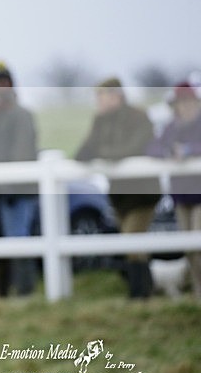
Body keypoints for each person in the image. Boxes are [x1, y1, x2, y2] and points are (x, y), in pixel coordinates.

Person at [76, 77, 161, 299]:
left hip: (143, 193)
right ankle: (145, 290)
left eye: (101, 96)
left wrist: (103, 153)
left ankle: (140, 293)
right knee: (130, 242)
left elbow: (132, 149)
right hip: (120, 195)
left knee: (132, 240)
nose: (98, 101)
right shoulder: (100, 120)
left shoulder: (138, 117)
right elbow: (84, 152)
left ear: (116, 96)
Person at [0, 63, 39, 296]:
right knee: (12, 239)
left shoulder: (20, 115)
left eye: (5, 84)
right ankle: (16, 289)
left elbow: (22, 152)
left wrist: (11, 186)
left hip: (17, 189)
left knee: (19, 239)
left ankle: (25, 289)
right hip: (4, 189)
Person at [147, 82, 201, 298]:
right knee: (188, 245)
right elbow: (152, 147)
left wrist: (188, 150)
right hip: (181, 194)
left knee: (198, 241)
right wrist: (169, 151)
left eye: (189, 102)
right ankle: (197, 285)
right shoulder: (171, 127)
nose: (185, 106)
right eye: (181, 102)